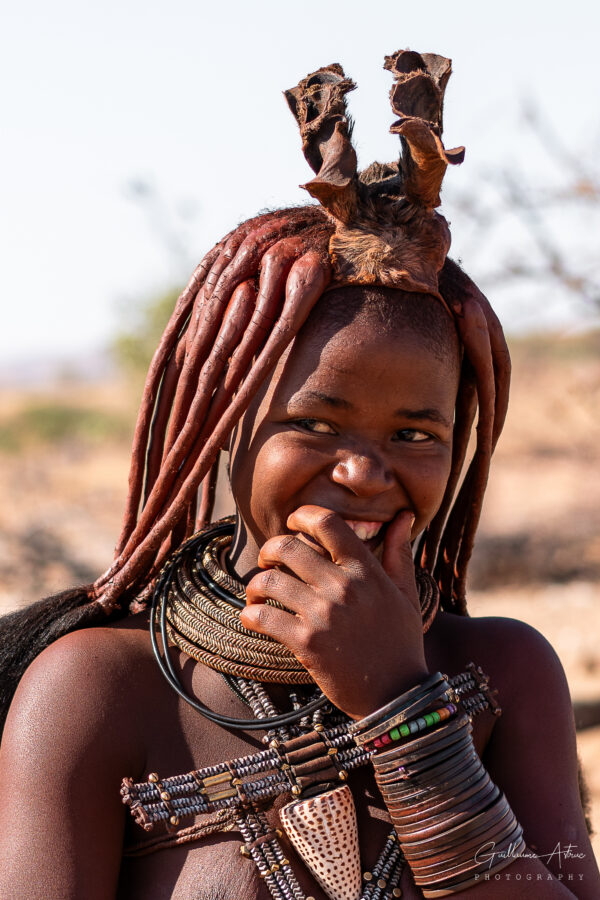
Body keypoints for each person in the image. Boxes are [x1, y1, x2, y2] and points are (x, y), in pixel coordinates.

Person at [0, 49, 598, 900]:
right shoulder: (100, 690)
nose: (363, 470)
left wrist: (401, 707)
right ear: (224, 423)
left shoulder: (502, 672)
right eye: (313, 424)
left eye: (416, 433)